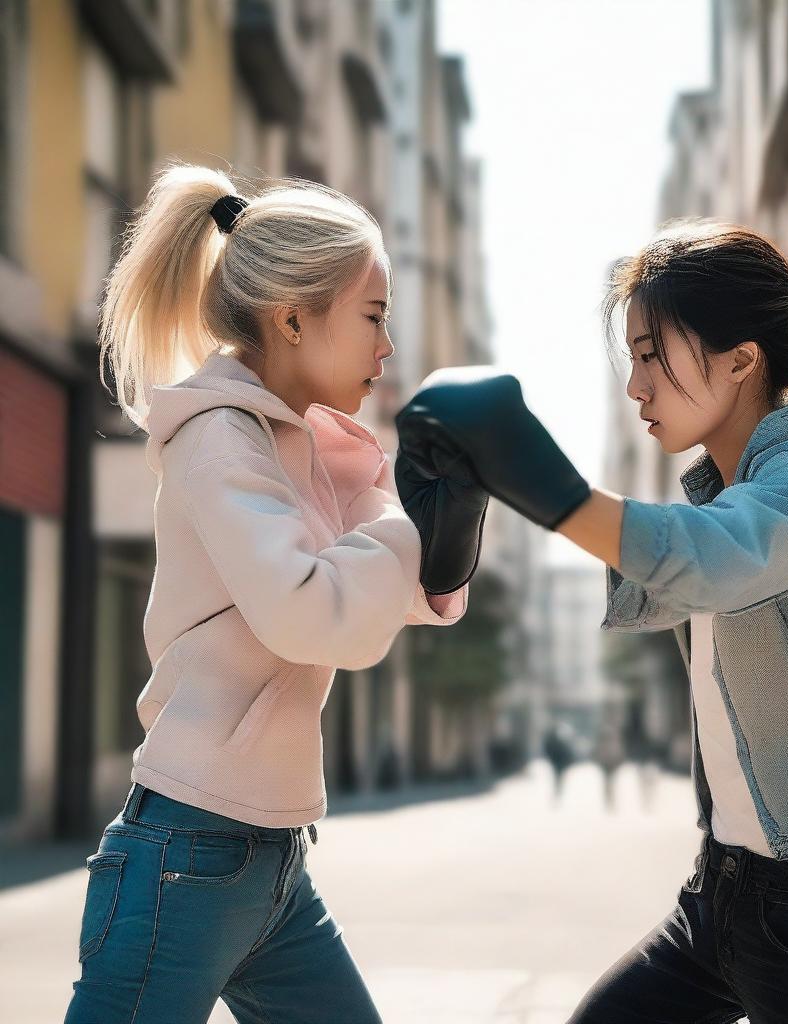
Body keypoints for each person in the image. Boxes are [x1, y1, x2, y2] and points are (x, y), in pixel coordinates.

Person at [393, 219, 788, 1023]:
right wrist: (484, 488)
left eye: (652, 355)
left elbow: (704, 561)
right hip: (721, 897)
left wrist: (527, 467)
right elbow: (656, 582)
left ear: (741, 360)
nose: (635, 385)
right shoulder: (727, 493)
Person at [64, 163, 486, 1024]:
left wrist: (450, 520)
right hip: (187, 851)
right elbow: (312, 610)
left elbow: (400, 581)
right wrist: (415, 528)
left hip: (269, 862)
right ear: (294, 319)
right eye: (373, 316)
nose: (386, 346)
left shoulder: (312, 443)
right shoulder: (219, 440)